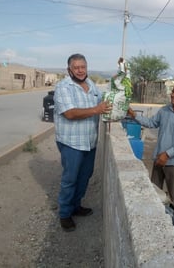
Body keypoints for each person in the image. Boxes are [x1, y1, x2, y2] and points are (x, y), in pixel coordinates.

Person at [54, 53, 112, 232]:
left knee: (84, 176)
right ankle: (64, 214)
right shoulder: (64, 87)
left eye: (83, 67)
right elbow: (70, 114)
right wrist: (97, 109)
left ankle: (76, 206)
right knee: (70, 179)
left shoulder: (92, 85)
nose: (80, 71)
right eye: (76, 67)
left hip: (89, 142)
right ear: (69, 69)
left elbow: (103, 102)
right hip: (71, 142)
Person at [127, 79, 174, 218]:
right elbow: (152, 122)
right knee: (154, 193)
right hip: (159, 160)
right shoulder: (165, 110)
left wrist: (167, 154)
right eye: (173, 92)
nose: (172, 95)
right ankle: (155, 220)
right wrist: (134, 115)